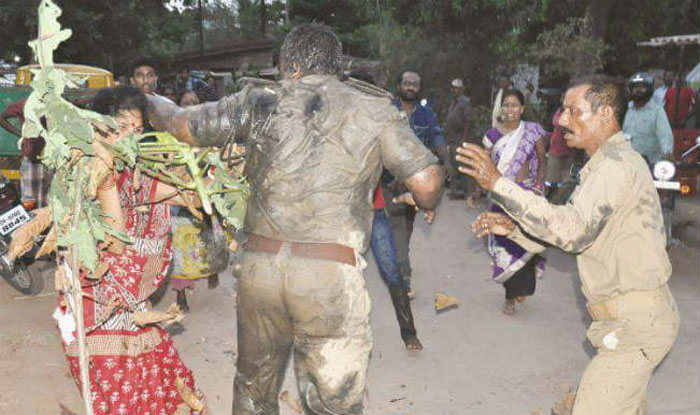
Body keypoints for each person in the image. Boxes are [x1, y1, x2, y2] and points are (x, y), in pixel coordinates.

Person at [146, 24, 443, 415]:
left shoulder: (258, 100)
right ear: (337, 68)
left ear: (289, 65)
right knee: (333, 402)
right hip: (330, 278)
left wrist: (145, 97)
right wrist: (425, 199)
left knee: (254, 390)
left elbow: (182, 124)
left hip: (260, 270)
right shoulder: (374, 109)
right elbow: (427, 182)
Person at [457, 75, 679, 415]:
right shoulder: (605, 165)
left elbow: (572, 231)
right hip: (630, 323)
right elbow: (579, 235)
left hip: (636, 328)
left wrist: (499, 183)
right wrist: (514, 229)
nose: (561, 120)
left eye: (573, 111)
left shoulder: (615, 167)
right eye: (562, 111)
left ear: (605, 114)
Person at [57, 85, 206, 415]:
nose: (130, 137)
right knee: (118, 391)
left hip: (132, 301)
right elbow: (116, 230)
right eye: (122, 127)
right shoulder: (86, 168)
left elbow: (182, 193)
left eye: (137, 130)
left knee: (155, 377)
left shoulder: (139, 171)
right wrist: (107, 173)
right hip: (97, 303)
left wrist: (203, 178)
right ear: (99, 126)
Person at [383, 69, 453, 296]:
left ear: (419, 88)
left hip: (415, 182)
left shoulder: (426, 115)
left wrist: (446, 161)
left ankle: (399, 259)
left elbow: (437, 138)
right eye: (407, 83)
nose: (410, 87)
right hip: (388, 180)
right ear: (399, 85)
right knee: (397, 227)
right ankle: (404, 278)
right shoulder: (386, 111)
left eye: (415, 84)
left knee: (407, 227)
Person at [481, 89, 547, 315]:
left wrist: (539, 186)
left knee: (526, 243)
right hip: (501, 198)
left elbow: (541, 158)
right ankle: (509, 296)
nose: (510, 110)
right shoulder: (492, 136)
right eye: (506, 105)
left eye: (514, 105)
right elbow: (485, 165)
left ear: (522, 109)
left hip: (527, 196)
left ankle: (521, 289)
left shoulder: (532, 131)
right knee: (505, 245)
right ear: (501, 109)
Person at [0, 98, 53, 207]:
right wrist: (21, 134)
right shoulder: (24, 103)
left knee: (51, 201)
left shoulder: (57, 102)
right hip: (31, 156)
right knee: (30, 202)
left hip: (52, 158)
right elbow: (2, 117)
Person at [623, 72, 673, 165]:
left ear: (649, 89)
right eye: (635, 87)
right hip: (626, 162)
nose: (638, 90)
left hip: (649, 163)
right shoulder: (627, 110)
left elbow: (665, 135)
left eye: (642, 87)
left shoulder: (657, 111)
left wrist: (667, 153)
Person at [445, 78, 473, 202]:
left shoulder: (465, 102)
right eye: (453, 88)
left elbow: (468, 121)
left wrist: (464, 138)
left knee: (461, 164)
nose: (454, 90)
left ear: (461, 89)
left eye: (456, 88)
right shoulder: (453, 102)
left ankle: (467, 192)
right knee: (453, 164)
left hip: (460, 137)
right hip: (452, 138)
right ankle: (455, 191)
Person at [546, 104, 576, 200]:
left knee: (565, 180)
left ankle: (557, 200)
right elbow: (558, 123)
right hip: (556, 149)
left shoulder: (576, 112)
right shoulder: (559, 111)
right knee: (551, 178)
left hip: (568, 150)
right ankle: (549, 200)